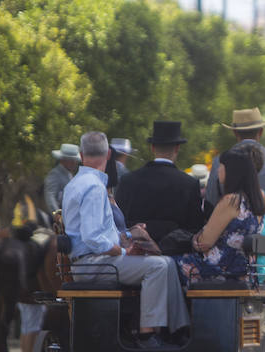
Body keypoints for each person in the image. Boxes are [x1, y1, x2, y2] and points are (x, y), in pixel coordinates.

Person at [63, 131, 189, 349]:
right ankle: (147, 334)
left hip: (91, 260)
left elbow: (99, 233)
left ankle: (177, 328)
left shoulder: (77, 183)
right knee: (158, 266)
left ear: (82, 155)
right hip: (93, 265)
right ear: (109, 154)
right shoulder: (93, 186)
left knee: (166, 263)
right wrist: (124, 252)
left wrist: (130, 235)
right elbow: (94, 239)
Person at [175, 145, 265, 284]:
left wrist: (195, 238)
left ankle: (178, 306)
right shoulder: (259, 198)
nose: (218, 170)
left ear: (232, 171)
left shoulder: (231, 201)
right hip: (247, 271)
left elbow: (204, 243)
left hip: (220, 269)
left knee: (168, 264)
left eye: (221, 166)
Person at [207, 108, 265, 235]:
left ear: (235, 133)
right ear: (261, 132)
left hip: (228, 240)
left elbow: (209, 205)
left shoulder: (219, 161)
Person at [115, 120, 204, 244]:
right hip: (172, 255)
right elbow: (195, 227)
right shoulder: (189, 184)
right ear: (177, 148)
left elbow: (118, 222)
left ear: (152, 148)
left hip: (133, 252)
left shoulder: (127, 180)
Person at [44, 143, 80, 213]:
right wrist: (58, 215)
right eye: (72, 160)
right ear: (63, 160)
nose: (75, 163)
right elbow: (50, 196)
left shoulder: (69, 174)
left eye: (75, 160)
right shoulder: (55, 174)